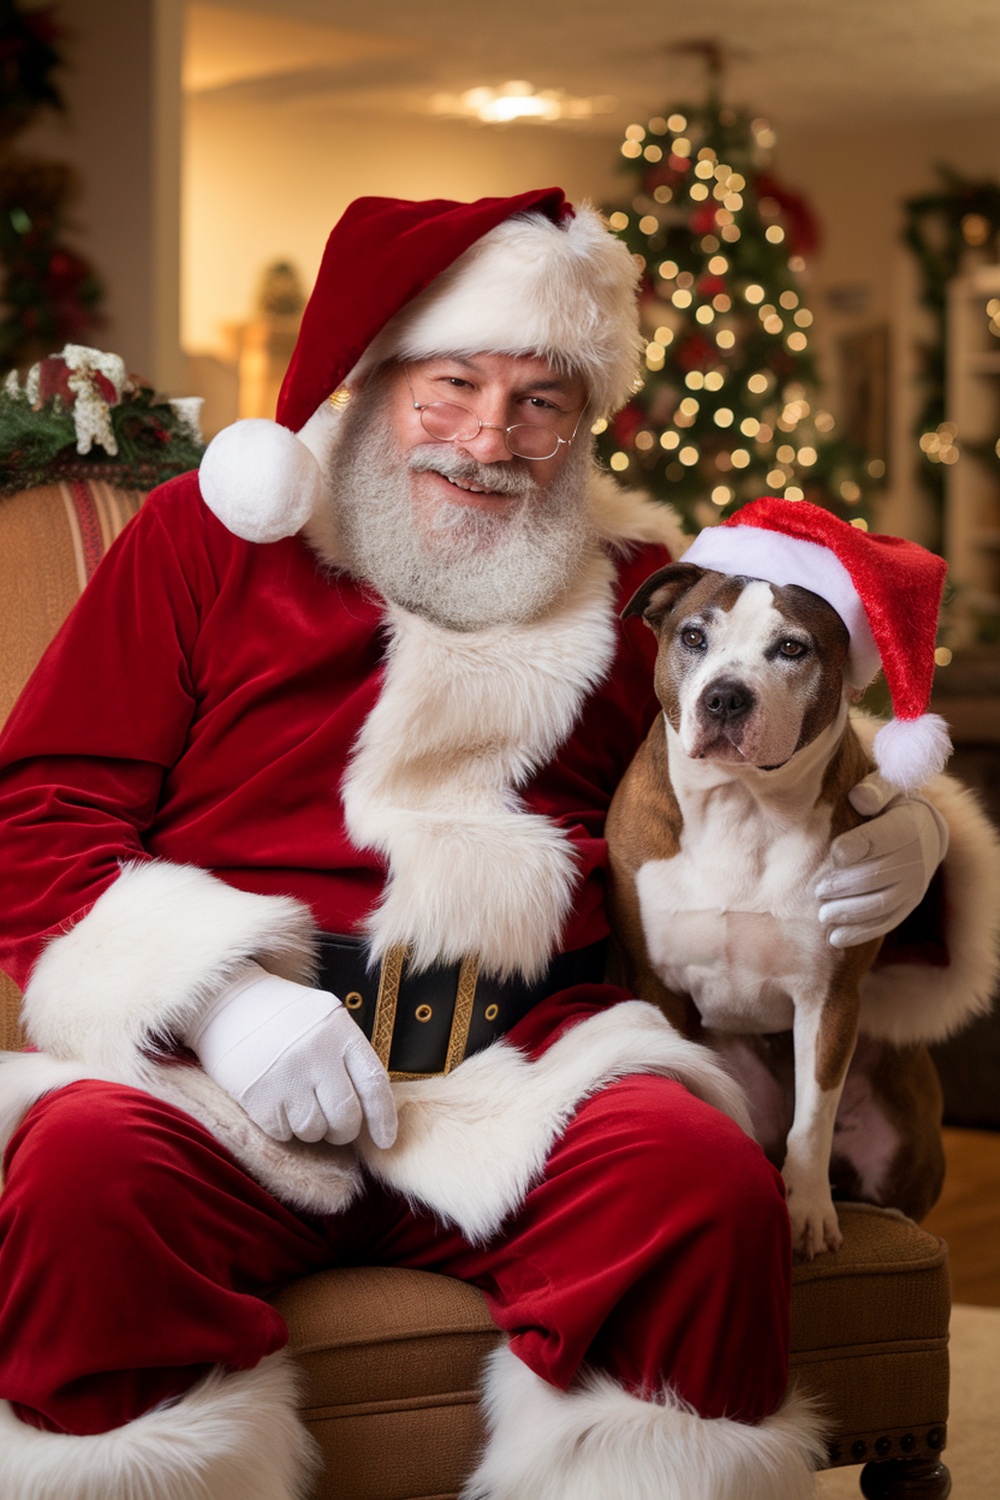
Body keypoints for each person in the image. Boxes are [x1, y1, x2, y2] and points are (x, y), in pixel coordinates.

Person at [0, 188, 993, 1500]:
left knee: (697, 1182)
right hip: (223, 1074)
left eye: (543, 400)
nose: (490, 438)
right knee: (79, 1180)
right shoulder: (208, 542)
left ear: (586, 421)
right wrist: (225, 1003)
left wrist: (918, 839)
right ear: (374, 379)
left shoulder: (640, 590)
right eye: (453, 382)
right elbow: (39, 810)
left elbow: (801, 758)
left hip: (523, 1068)